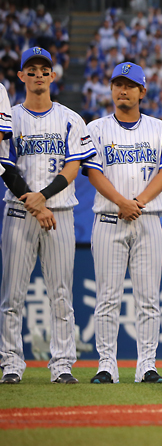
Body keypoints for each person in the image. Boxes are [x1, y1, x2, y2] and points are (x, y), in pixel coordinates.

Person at [0, 48, 96, 384]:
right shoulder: (9, 117)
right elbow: (5, 166)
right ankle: (11, 363)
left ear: (53, 76)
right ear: (21, 75)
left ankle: (62, 365)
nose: (39, 75)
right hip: (19, 212)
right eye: (32, 69)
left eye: (44, 70)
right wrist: (33, 203)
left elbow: (74, 166)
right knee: (12, 294)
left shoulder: (70, 118)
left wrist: (43, 199)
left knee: (60, 292)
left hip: (59, 212)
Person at [83, 62, 162, 384]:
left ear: (142, 91)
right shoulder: (95, 128)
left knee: (148, 298)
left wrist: (138, 202)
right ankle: (106, 365)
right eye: (117, 84)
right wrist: (122, 202)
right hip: (109, 217)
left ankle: (146, 365)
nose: (123, 90)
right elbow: (93, 172)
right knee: (108, 297)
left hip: (148, 218)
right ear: (111, 89)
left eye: (130, 85)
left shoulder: (161, 128)